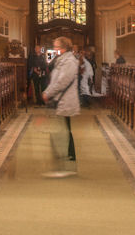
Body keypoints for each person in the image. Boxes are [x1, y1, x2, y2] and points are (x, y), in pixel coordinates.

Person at [42, 36, 80, 173]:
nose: (54, 49)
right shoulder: (61, 60)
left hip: (64, 100)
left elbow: (62, 81)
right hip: (60, 100)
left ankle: (67, 161)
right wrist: (48, 91)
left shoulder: (69, 62)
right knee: (62, 130)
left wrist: (48, 93)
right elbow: (50, 70)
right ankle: (66, 160)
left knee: (61, 131)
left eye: (57, 47)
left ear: (64, 48)